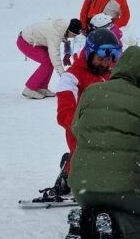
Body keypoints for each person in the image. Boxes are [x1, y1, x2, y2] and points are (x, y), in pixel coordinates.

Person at [64, 46, 140, 239]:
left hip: (82, 187)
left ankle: (85, 224)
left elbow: (76, 129)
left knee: (98, 208)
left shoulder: (91, 92)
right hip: (126, 188)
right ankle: (116, 229)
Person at [52, 28, 122, 195]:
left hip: (113, 132)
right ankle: (70, 169)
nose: (105, 64)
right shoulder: (71, 77)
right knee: (91, 183)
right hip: (83, 135)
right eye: (100, 59)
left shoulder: (113, 72)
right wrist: (89, 127)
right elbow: (64, 114)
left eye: (109, 59)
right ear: (90, 54)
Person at [17, 17, 83, 99]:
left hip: (37, 42)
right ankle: (29, 88)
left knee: (49, 62)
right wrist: (63, 75)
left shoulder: (62, 27)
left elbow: (64, 41)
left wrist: (67, 52)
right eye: (73, 35)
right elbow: (55, 55)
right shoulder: (55, 33)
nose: (73, 37)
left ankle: (42, 88)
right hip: (25, 42)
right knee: (47, 62)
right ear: (69, 30)